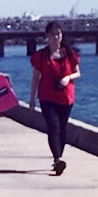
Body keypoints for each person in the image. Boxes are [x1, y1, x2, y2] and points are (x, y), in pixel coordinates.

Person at [28, 21, 81, 175]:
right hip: (47, 96)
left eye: (58, 34)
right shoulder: (41, 55)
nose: (56, 37)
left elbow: (78, 73)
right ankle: (57, 159)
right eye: (53, 34)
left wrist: (68, 78)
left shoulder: (69, 54)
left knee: (62, 128)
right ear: (47, 36)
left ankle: (59, 156)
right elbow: (36, 78)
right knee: (53, 127)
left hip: (66, 96)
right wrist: (32, 98)